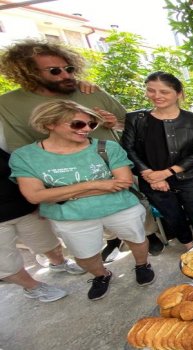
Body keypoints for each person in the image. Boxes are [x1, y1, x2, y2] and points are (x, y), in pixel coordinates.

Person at [0, 38, 163, 257]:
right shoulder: (10, 103)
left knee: (131, 208)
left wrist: (112, 121)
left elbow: (127, 122)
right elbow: (18, 147)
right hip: (60, 172)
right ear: (29, 72)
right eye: (55, 71)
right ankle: (112, 240)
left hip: (109, 162)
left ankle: (148, 236)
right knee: (86, 218)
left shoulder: (89, 91)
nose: (66, 75)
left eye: (69, 69)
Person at [9, 100, 155, 300]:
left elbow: (123, 182)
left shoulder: (106, 147)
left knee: (137, 239)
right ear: (50, 123)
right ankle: (102, 275)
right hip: (72, 218)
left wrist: (61, 193)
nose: (87, 129)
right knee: (85, 256)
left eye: (91, 124)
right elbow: (34, 196)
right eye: (78, 124)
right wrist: (97, 185)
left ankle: (142, 265)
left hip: (120, 207)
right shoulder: (26, 156)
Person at [122, 72, 193, 250]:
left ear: (178, 93)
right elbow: (127, 149)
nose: (157, 96)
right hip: (151, 181)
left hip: (191, 179)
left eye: (164, 92)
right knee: (173, 217)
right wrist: (149, 175)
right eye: (151, 90)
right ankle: (189, 247)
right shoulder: (135, 119)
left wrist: (167, 172)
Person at [1, 148, 83, 303]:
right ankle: (32, 287)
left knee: (49, 243)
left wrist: (39, 200)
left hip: (24, 208)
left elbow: (17, 170)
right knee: (6, 262)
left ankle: (59, 264)